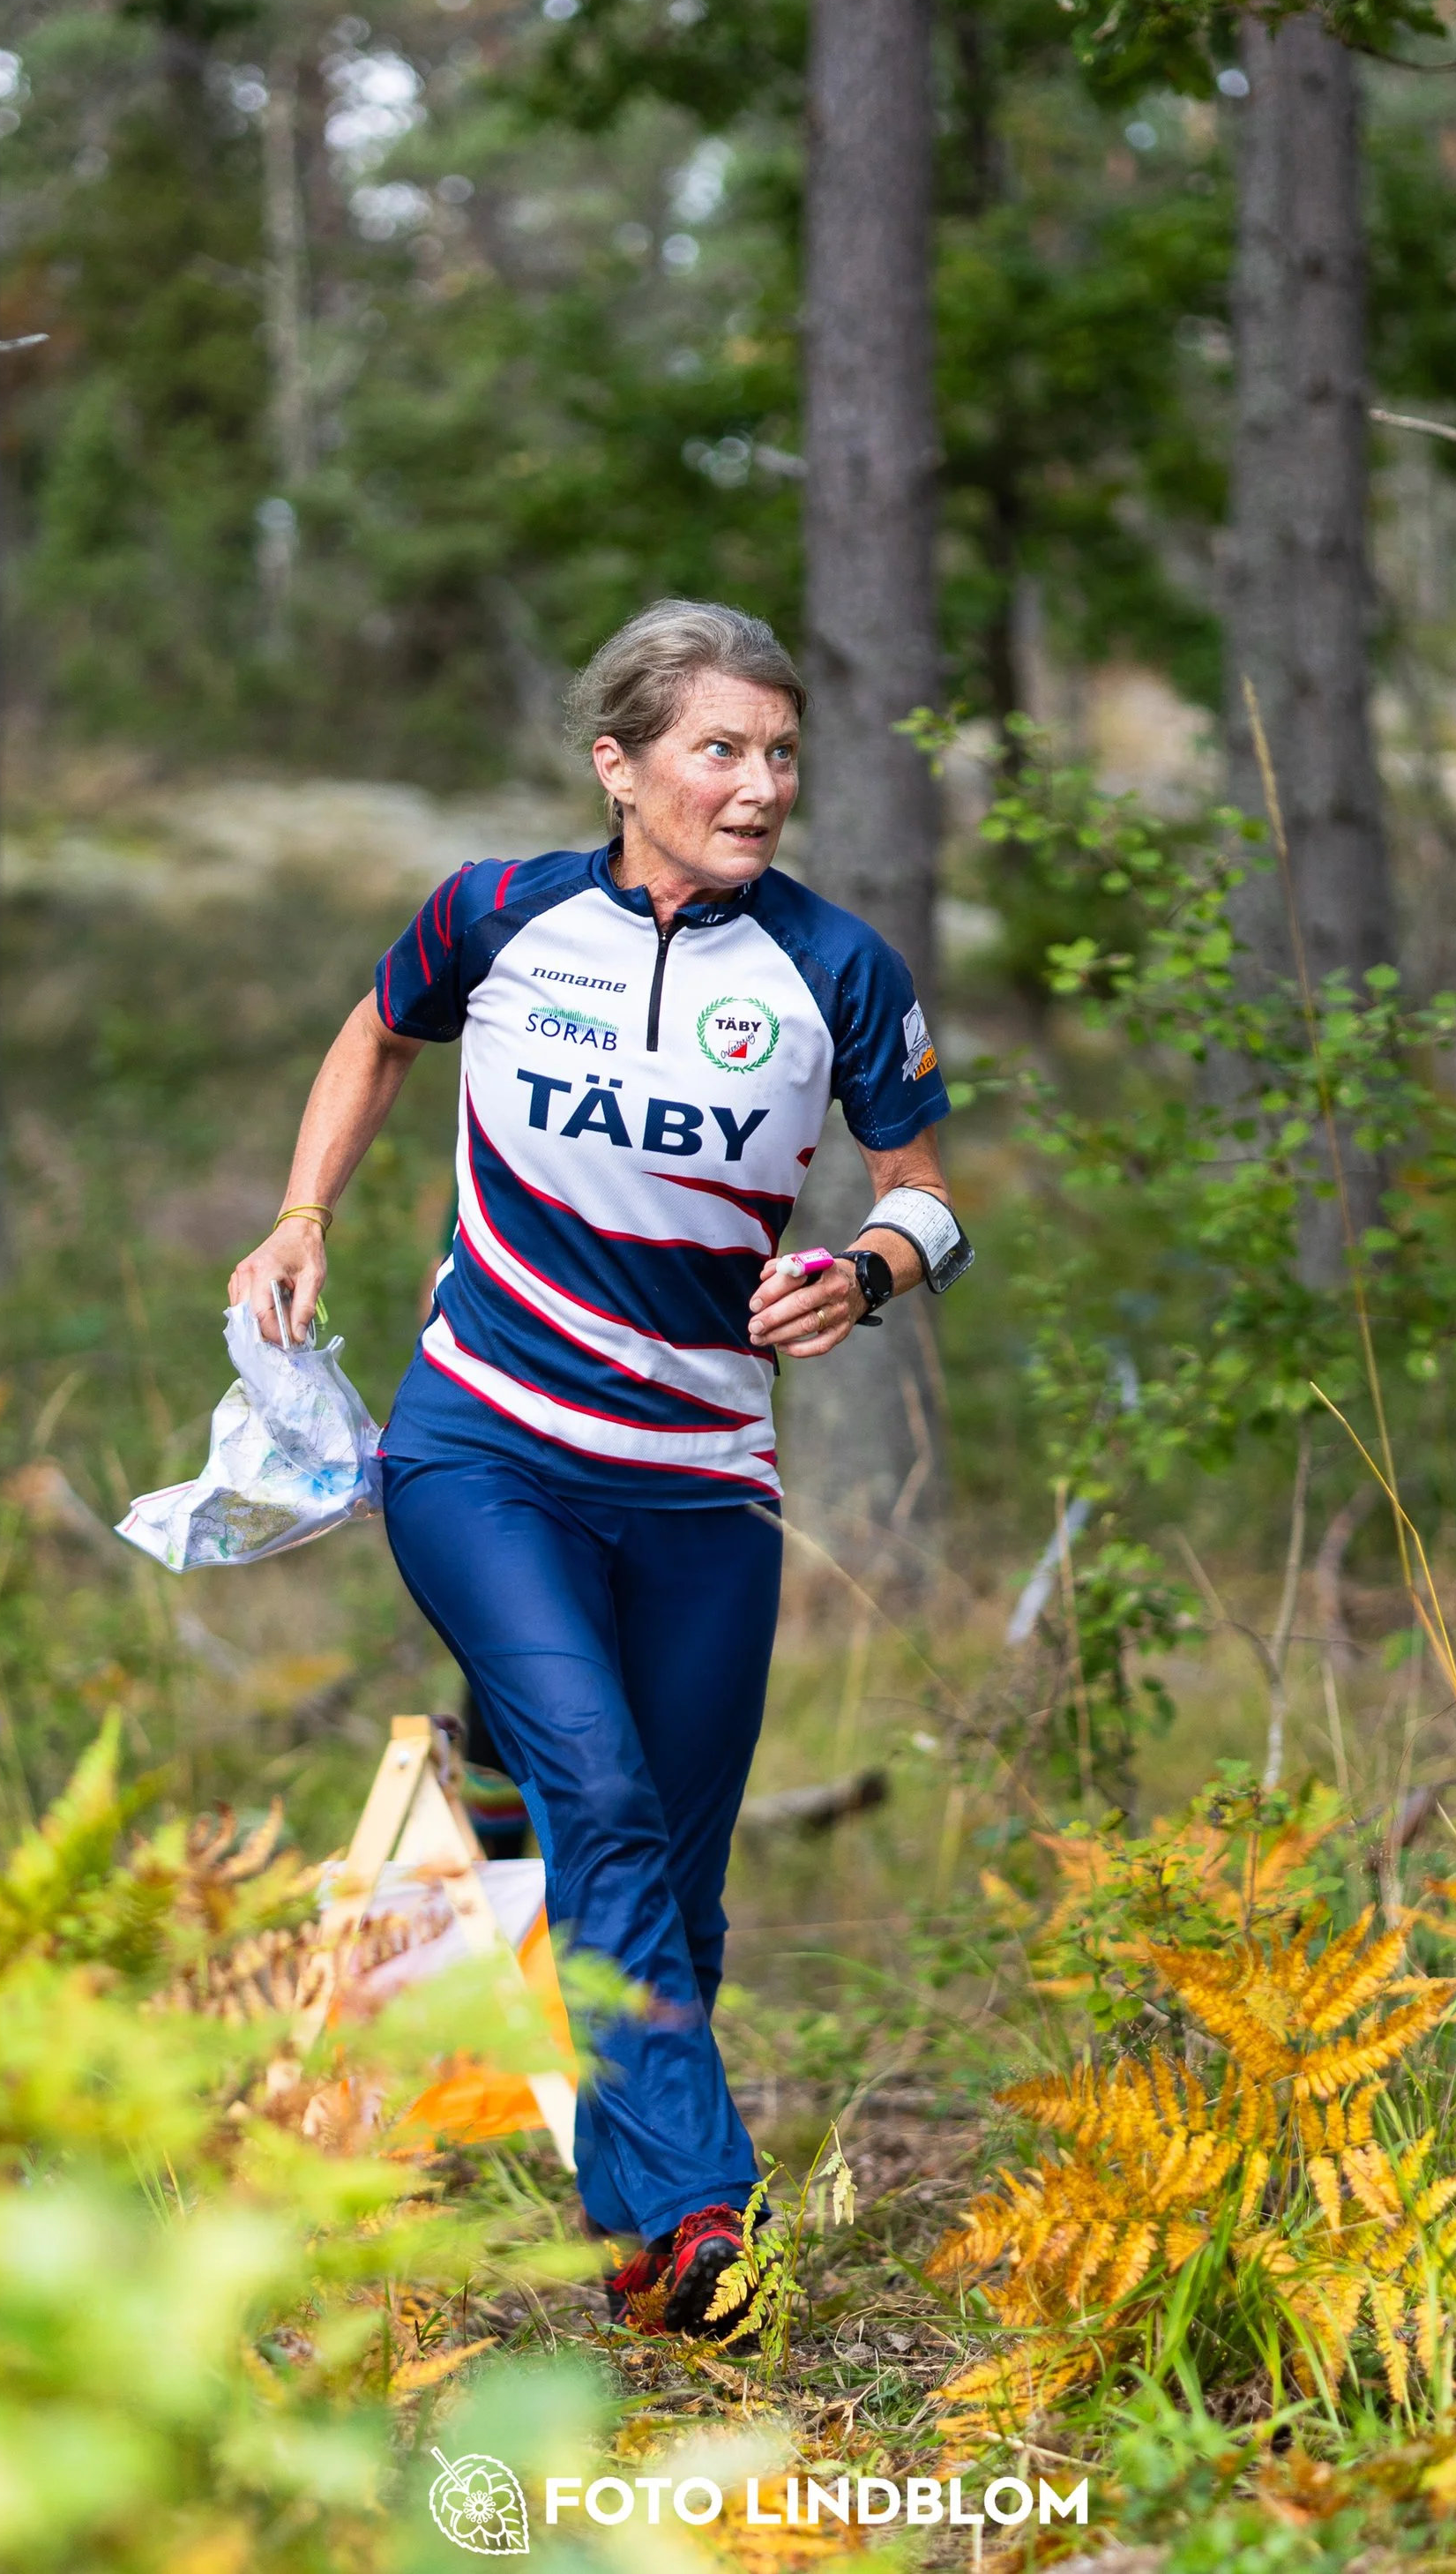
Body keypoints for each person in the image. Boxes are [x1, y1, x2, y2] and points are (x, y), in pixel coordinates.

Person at [228, 599, 973, 2338]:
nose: (761, 783)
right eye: (721, 747)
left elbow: (924, 1183)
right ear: (617, 761)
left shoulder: (835, 966)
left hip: (702, 1482)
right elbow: (373, 1031)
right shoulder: (496, 912)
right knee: (611, 1805)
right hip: (481, 1440)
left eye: (781, 751)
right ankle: (712, 2206)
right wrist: (301, 1210)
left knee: (672, 1889)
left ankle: (637, 2249)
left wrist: (864, 1270)